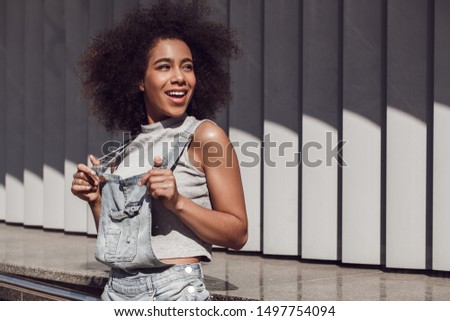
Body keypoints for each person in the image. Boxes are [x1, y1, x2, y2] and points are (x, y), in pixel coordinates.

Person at [70, 0, 247, 301]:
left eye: (187, 67)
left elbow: (237, 233)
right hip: (116, 291)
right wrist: (95, 199)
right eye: (164, 66)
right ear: (140, 80)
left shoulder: (206, 135)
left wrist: (178, 201)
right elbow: (121, 244)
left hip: (174, 292)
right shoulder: (127, 148)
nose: (179, 77)